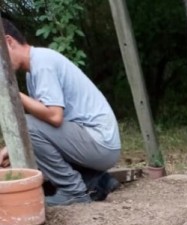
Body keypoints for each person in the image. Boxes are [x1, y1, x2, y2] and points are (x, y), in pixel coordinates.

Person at [0, 19, 121, 206]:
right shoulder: (33, 69)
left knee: (28, 124)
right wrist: (9, 149)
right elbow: (45, 125)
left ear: (8, 41)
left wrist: (14, 93)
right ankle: (96, 180)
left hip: (99, 142)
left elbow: (54, 118)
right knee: (31, 134)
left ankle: (73, 191)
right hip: (96, 143)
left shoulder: (42, 63)